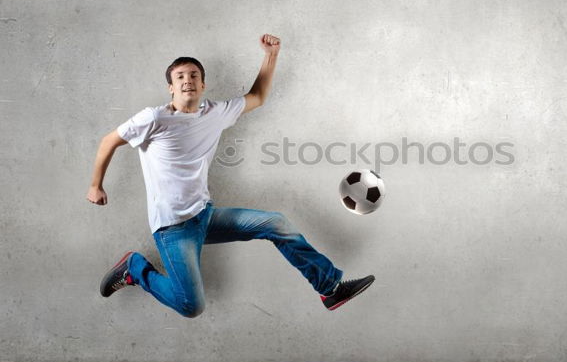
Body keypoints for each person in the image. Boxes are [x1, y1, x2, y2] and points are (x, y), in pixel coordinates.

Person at [86, 34, 374, 318]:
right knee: (192, 307)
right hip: (172, 228)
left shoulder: (215, 112)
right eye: (180, 77)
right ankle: (135, 268)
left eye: (194, 75)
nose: (187, 80)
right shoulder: (153, 119)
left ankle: (329, 288)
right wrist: (95, 185)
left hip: (204, 216)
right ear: (171, 88)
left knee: (277, 223)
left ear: (203, 84)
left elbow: (258, 97)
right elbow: (108, 141)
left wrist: (271, 55)